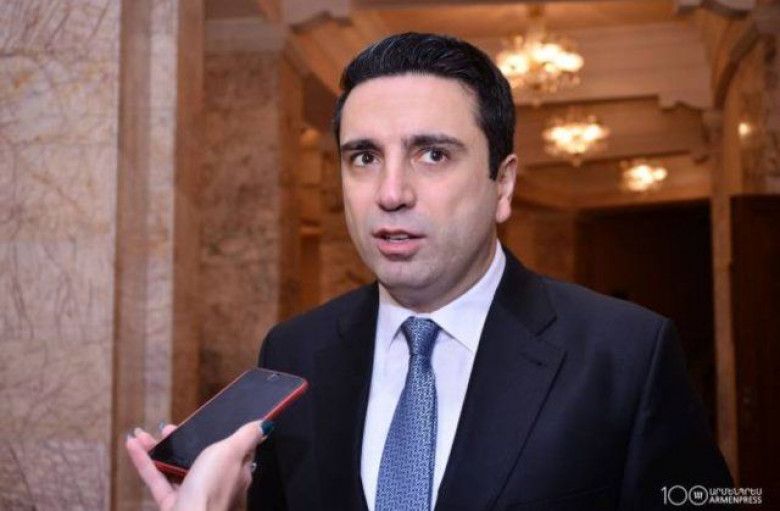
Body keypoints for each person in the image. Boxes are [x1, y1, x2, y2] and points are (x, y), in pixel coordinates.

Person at [128, 32, 733, 510]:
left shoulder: (626, 353)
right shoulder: (294, 351)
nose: (391, 192)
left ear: (503, 184)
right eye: (364, 157)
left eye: (433, 154)